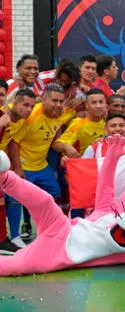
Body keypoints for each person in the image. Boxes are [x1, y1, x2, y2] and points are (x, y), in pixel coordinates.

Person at [10, 83, 77, 242]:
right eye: (54, 101)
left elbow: (79, 109)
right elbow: (13, 142)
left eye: (61, 101)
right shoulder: (30, 115)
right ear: (44, 99)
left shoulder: (63, 112)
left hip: (41, 165)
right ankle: (20, 230)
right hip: (24, 165)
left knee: (55, 192)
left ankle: (52, 227)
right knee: (19, 198)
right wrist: (18, 169)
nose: (58, 105)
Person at [0, 89, 36, 248]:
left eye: (31, 106)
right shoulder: (2, 114)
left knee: (11, 196)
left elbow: (12, 143)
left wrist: (17, 169)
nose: (29, 109)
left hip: (3, 164)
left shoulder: (21, 120)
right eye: (25, 105)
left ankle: (11, 236)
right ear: (14, 102)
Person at [53, 88, 107, 158]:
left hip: (102, 165)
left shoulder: (109, 121)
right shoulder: (78, 123)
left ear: (105, 104)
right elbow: (57, 145)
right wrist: (66, 147)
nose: (98, 106)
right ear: (87, 105)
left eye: (101, 102)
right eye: (94, 103)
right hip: (83, 165)